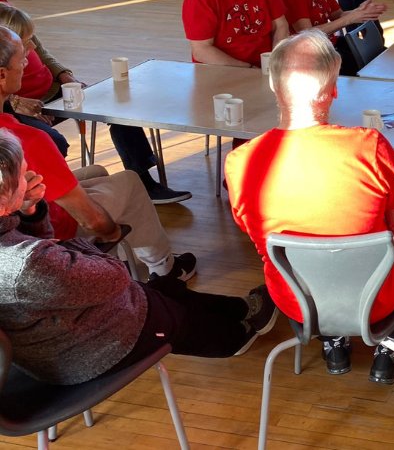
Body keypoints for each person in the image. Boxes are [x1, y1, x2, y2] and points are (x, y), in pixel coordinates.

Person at [225, 29, 394, 383]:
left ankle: (334, 342)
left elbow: (260, 240)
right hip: (376, 301)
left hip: (298, 303)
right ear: (333, 90)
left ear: (273, 86)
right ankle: (391, 344)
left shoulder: (239, 163)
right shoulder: (368, 145)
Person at [0, 129, 278, 386]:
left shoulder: (18, 250)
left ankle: (242, 308)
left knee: (165, 289)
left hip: (55, 332)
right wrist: (76, 246)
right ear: (6, 194)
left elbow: (48, 255)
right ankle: (235, 337)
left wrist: (31, 212)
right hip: (87, 352)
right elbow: (116, 276)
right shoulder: (27, 265)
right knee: (166, 311)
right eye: (25, 176)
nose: (33, 178)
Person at [0, 26, 196, 280]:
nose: (28, 61)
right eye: (21, 59)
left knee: (99, 171)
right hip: (44, 232)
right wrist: (113, 233)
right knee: (130, 181)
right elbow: (90, 220)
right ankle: (164, 268)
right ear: (2, 75)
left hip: (13, 227)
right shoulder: (27, 140)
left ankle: (127, 259)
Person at [0, 2, 190, 204]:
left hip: (52, 90)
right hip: (19, 106)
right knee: (54, 142)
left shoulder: (9, 12)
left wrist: (65, 75)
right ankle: (58, 197)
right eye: (25, 43)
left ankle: (144, 181)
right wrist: (15, 101)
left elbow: (43, 52)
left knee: (116, 104)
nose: (32, 47)